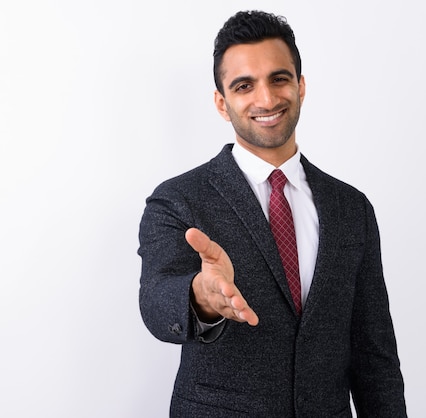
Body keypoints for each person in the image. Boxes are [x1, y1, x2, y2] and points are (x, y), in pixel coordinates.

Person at [137, 10, 406, 417]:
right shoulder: (178, 199)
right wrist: (201, 298)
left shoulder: (352, 209)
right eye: (244, 85)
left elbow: (375, 354)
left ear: (300, 86)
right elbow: (156, 301)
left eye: (279, 79)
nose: (266, 99)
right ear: (222, 104)